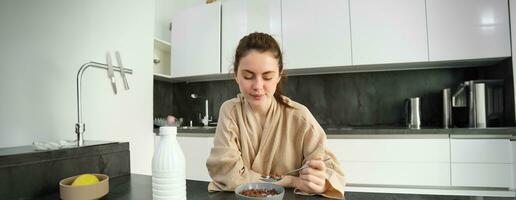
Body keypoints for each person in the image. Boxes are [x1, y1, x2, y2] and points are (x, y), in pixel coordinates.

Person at [206, 32, 345, 199]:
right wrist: (292, 181)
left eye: (267, 76)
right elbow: (229, 175)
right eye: (248, 76)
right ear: (236, 75)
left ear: (279, 75)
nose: (258, 86)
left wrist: (320, 182)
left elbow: (331, 171)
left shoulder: (299, 116)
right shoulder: (230, 112)